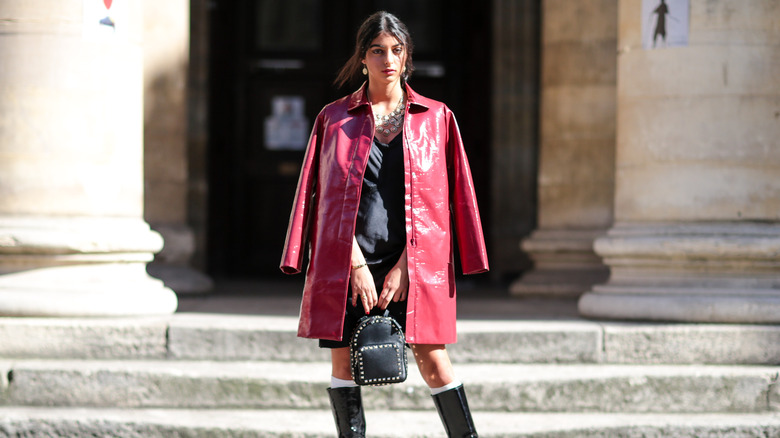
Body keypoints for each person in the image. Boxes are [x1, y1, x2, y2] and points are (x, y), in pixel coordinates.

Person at [281, 11, 488, 437]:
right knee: (343, 364)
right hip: (347, 262)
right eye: (377, 51)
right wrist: (355, 262)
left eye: (396, 50)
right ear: (363, 58)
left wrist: (408, 266)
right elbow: (322, 200)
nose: (387, 59)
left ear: (407, 57)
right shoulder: (334, 119)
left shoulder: (436, 118)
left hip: (415, 263)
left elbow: (445, 205)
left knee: (434, 362)